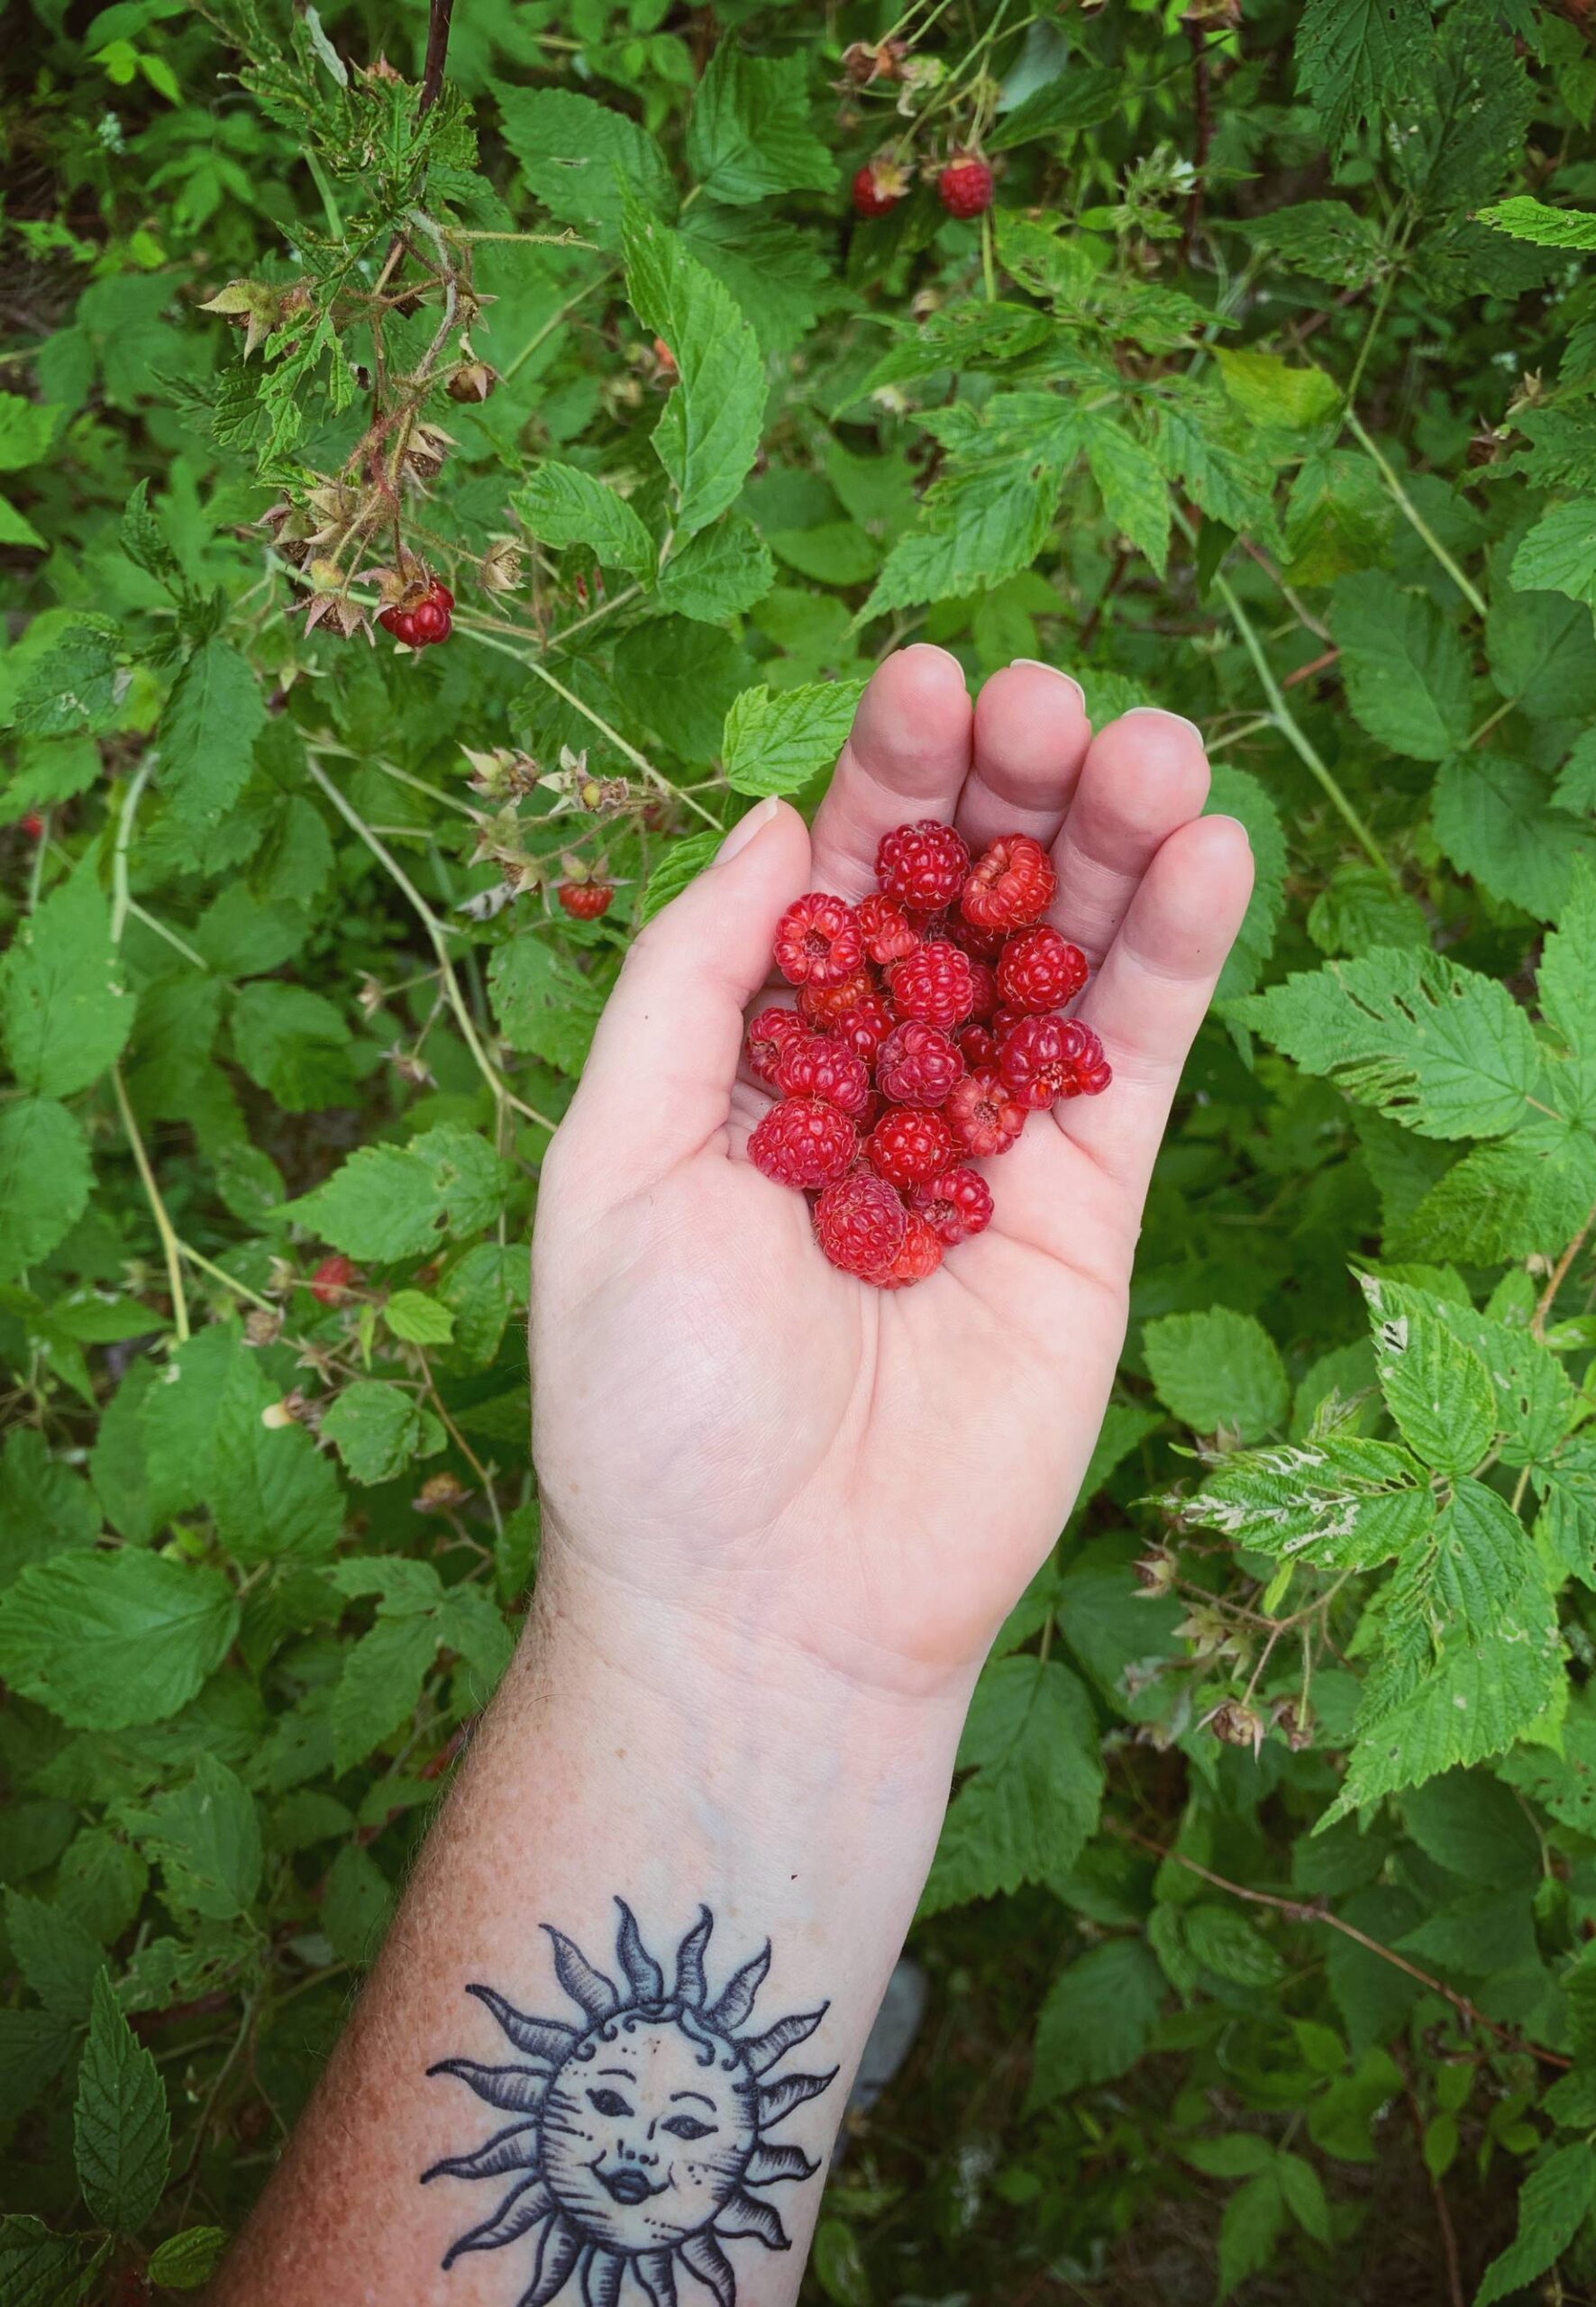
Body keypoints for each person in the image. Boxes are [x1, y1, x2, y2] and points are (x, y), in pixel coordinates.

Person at [212, 651, 1253, 2307]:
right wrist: (720, 1626)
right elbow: (890, 1080)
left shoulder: (931, 1039)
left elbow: (937, 1067)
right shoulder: (873, 1068)